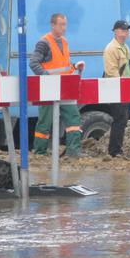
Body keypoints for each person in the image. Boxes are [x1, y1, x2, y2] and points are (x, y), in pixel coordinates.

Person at [29, 13, 84, 157]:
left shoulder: (64, 41)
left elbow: (63, 66)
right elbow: (34, 63)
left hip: (64, 87)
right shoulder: (44, 42)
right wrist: (47, 78)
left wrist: (74, 67)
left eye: (65, 24)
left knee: (73, 118)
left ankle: (73, 152)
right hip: (49, 88)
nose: (63, 27)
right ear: (53, 25)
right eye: (61, 24)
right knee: (45, 122)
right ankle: (40, 153)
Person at [103, 20, 130, 157]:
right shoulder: (111, 49)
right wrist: (122, 89)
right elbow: (112, 72)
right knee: (119, 120)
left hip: (126, 89)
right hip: (117, 90)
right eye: (123, 30)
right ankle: (114, 151)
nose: (126, 33)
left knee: (123, 120)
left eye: (127, 31)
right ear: (116, 31)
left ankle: (117, 149)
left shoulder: (125, 47)